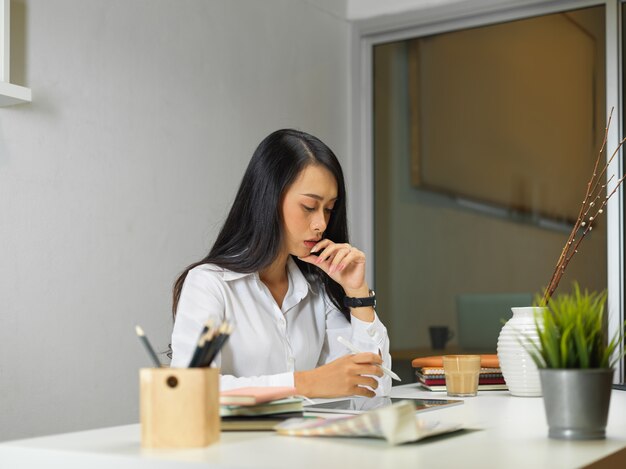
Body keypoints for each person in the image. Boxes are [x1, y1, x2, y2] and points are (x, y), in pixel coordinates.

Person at [170, 129, 391, 397]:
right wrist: (305, 383)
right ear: (269, 199)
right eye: (309, 207)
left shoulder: (316, 290)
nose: (321, 223)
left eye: (329, 209)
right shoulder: (210, 285)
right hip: (237, 439)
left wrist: (358, 295)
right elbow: (192, 390)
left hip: (303, 437)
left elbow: (372, 391)